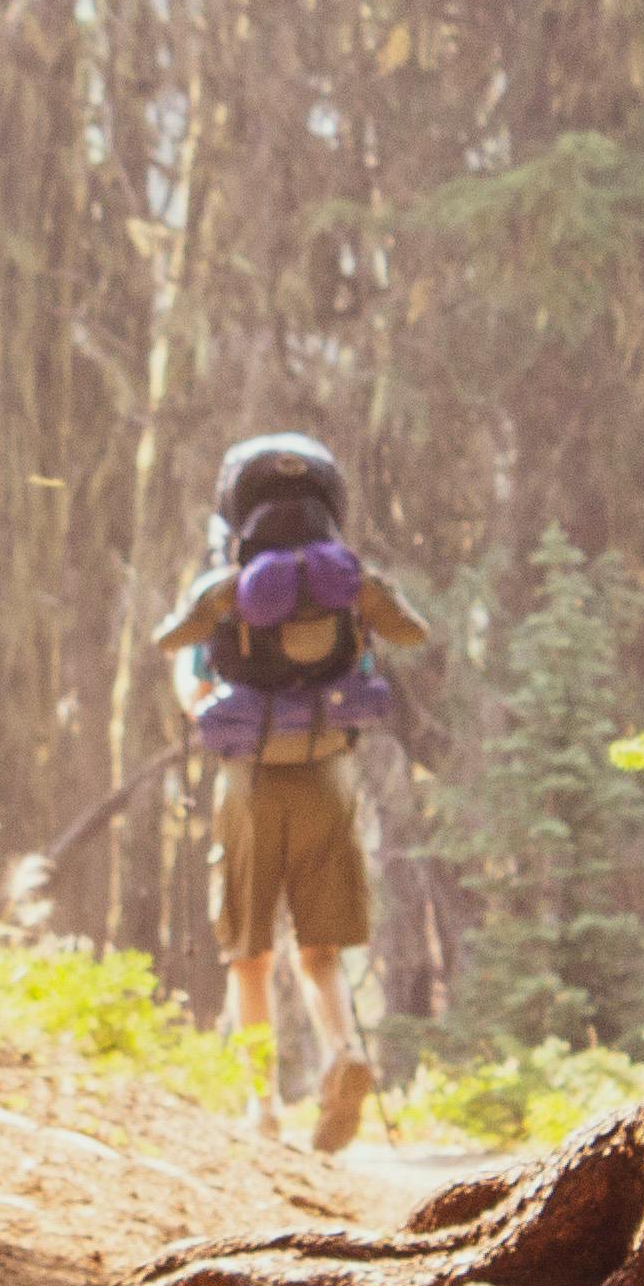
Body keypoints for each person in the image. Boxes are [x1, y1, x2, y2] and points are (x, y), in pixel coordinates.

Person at [157, 434, 427, 1152]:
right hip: (329, 773)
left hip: (250, 781)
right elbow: (381, 656)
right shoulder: (343, 588)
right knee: (321, 948)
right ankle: (342, 1052)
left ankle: (262, 1107)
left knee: (249, 955)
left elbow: (190, 685)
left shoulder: (226, 586)